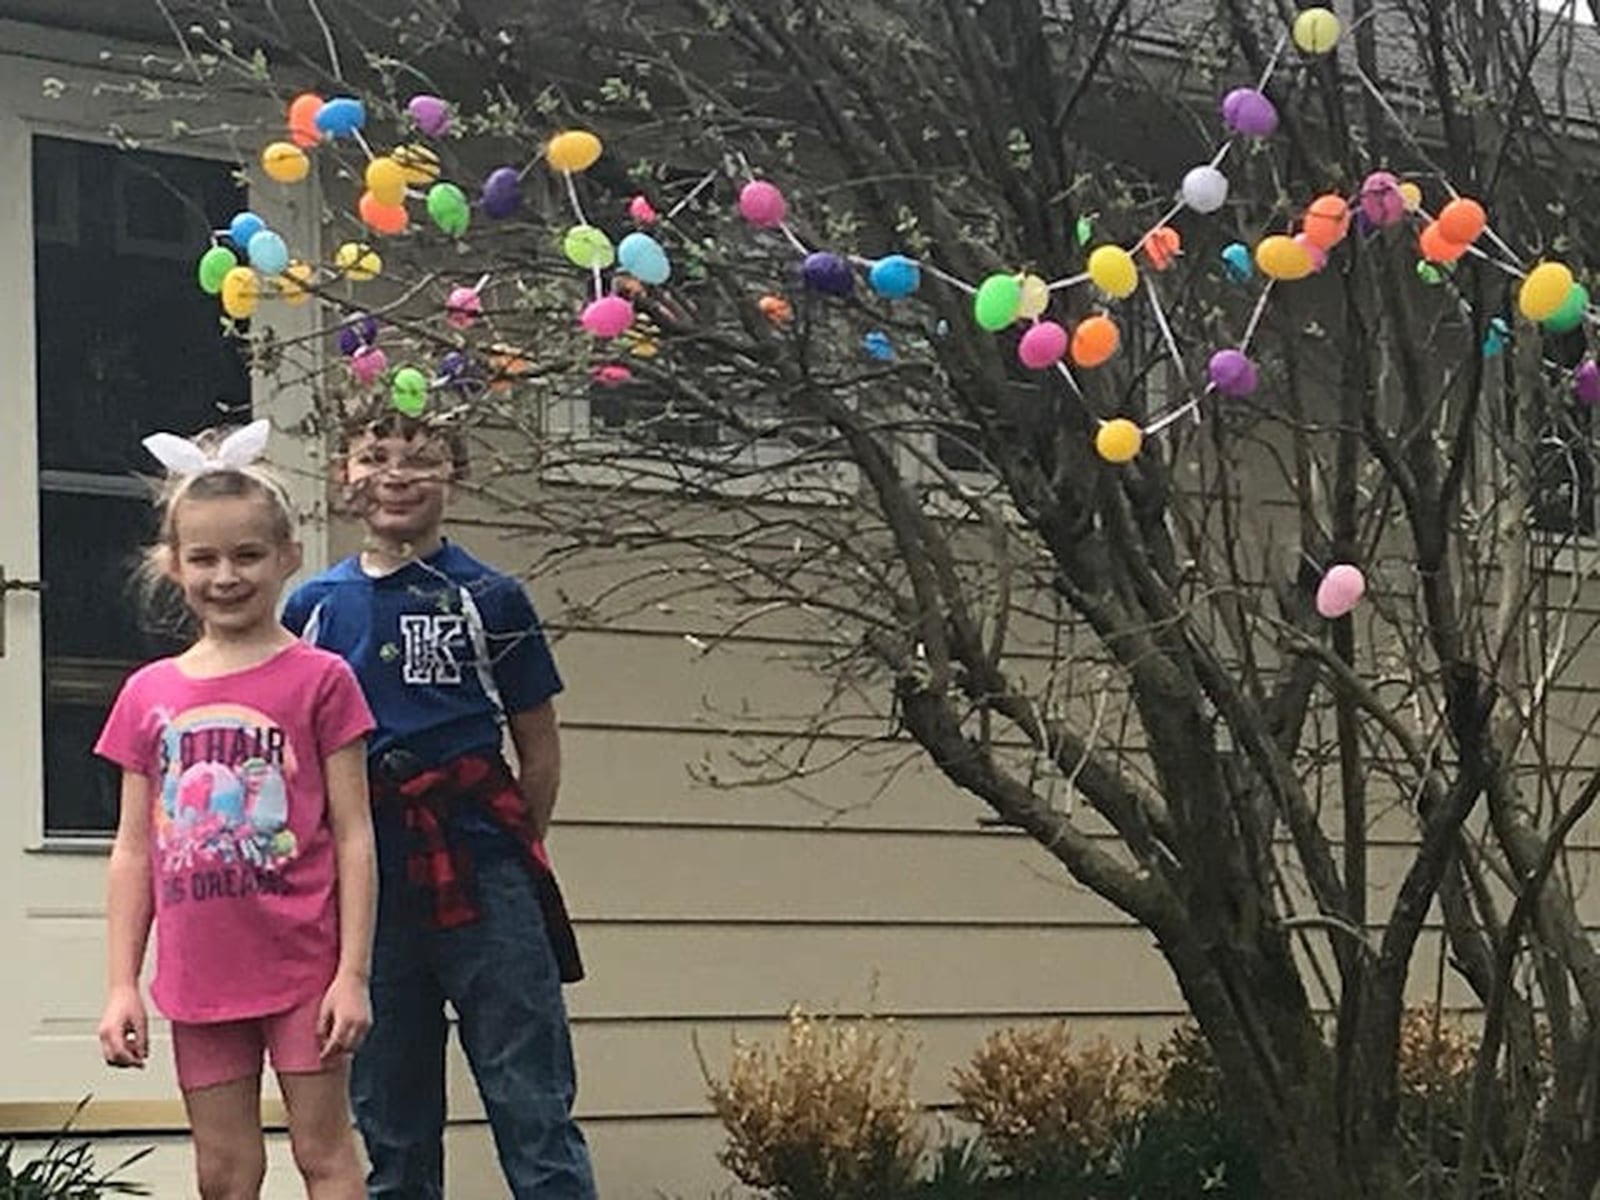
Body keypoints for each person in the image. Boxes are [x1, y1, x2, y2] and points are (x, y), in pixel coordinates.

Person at [282, 409, 596, 1200]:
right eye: (374, 456)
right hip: (368, 884)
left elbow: (540, 749)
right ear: (343, 476)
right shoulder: (311, 610)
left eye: (421, 459)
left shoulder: (493, 598)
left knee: (532, 1100)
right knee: (391, 1112)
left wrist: (511, 853)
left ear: (454, 475)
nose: (396, 474)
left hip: (479, 865)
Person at [95, 420, 378, 1200]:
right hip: (198, 975)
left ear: (288, 556)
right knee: (224, 1170)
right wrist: (122, 983)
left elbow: (354, 834)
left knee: (325, 1157)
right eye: (205, 558)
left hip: (303, 970)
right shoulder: (148, 694)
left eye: (248, 554)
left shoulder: (322, 681)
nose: (227, 575)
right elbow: (133, 850)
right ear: (173, 565)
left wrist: (351, 973)